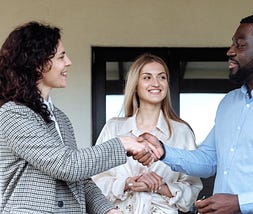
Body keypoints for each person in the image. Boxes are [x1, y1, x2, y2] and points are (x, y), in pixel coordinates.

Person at [142, 13, 253, 213]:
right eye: (232, 44)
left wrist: (240, 203)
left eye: (240, 45)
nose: (230, 51)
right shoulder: (229, 103)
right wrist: (164, 151)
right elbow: (209, 160)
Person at [0, 21, 159, 214]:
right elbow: (66, 165)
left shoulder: (60, 118)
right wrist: (123, 143)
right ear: (38, 64)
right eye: (61, 57)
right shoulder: (13, 115)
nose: (68, 62)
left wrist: (108, 210)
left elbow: (78, 179)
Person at [92, 53, 202, 214]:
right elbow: (95, 183)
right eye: (147, 77)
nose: (156, 83)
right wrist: (128, 183)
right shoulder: (113, 128)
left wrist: (160, 187)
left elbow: (193, 188)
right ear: (135, 84)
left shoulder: (182, 132)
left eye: (162, 77)